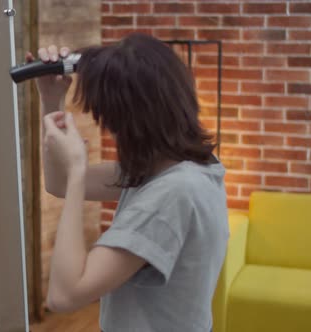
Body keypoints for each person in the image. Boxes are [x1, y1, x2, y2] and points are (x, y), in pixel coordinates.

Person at [31, 33, 228, 332]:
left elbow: (64, 295)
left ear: (130, 122)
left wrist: (77, 169)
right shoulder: (183, 169)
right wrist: (50, 99)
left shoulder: (173, 193)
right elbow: (59, 182)